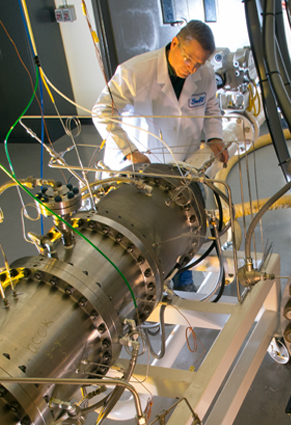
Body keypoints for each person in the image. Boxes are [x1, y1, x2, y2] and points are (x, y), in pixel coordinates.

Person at [92, 20, 229, 291]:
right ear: (175, 42)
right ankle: (139, 290)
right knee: (147, 232)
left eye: (199, 64)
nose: (192, 68)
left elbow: (211, 106)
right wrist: (130, 150)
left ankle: (184, 279)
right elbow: (102, 110)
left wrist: (215, 136)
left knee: (187, 226)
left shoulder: (205, 75)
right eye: (189, 59)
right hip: (143, 167)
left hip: (182, 164)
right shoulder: (135, 71)